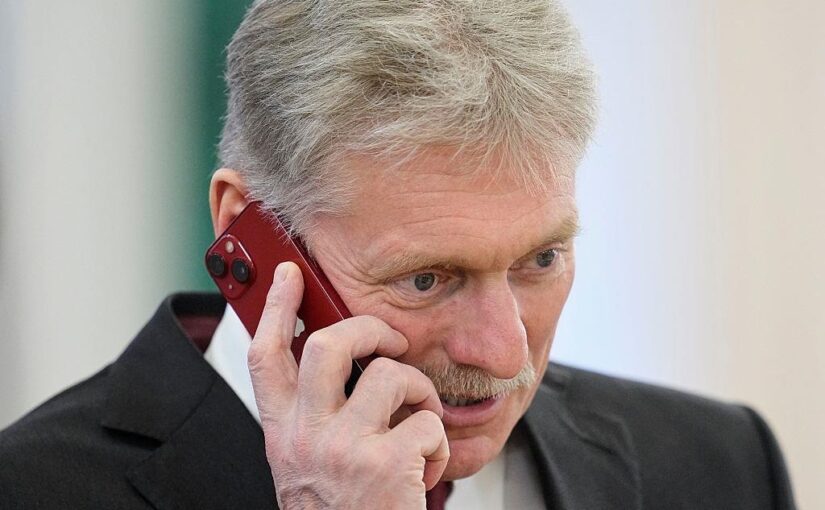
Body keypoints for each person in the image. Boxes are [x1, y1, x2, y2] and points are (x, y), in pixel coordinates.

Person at [0, 1, 796, 509]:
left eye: (540, 260)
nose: (503, 353)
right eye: (426, 278)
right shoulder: (34, 488)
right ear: (249, 232)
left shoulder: (719, 466)